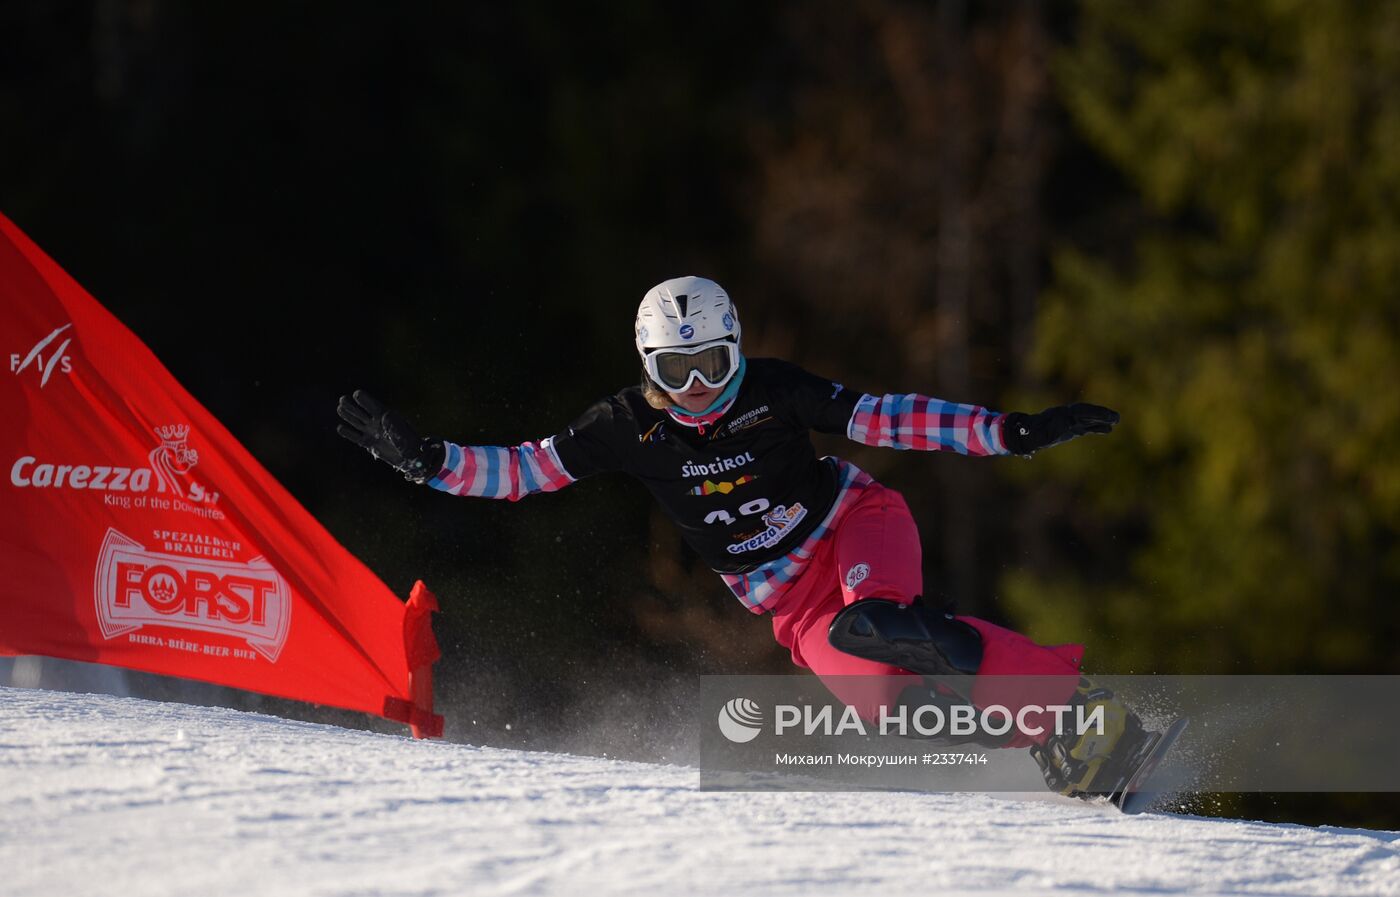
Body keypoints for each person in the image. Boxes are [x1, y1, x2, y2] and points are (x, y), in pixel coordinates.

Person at [337, 275, 1147, 798]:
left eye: (715, 366)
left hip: (854, 526)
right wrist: (428, 462)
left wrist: (1012, 433)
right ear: (648, 368)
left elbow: (887, 416)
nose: (698, 392)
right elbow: (523, 471)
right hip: (792, 607)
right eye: (676, 373)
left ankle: (1081, 712)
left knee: (882, 625)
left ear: (738, 351)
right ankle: (1057, 748)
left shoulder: (774, 392)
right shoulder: (624, 428)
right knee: (893, 707)